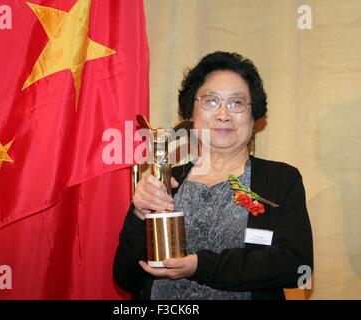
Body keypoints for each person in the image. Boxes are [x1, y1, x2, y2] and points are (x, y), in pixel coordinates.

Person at [113, 51, 313, 300]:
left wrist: (201, 266)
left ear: (254, 118)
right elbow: (126, 277)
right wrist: (139, 214)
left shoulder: (281, 180)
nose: (223, 114)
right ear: (190, 115)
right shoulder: (165, 180)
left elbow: (297, 267)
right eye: (211, 101)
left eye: (237, 103)